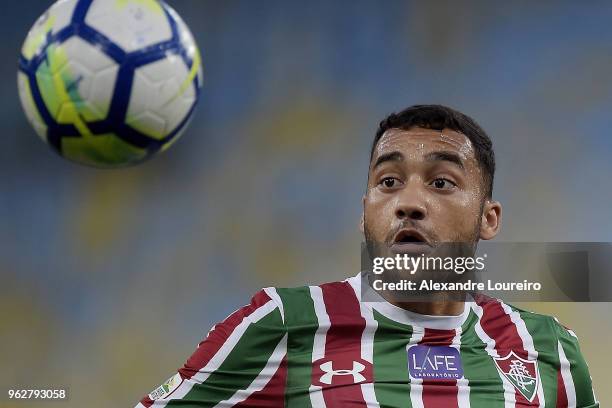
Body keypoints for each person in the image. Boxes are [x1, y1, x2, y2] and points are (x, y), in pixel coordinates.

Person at [136, 104, 598, 407]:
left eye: (441, 182)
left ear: (488, 218)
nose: (408, 202)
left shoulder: (549, 350)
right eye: (389, 182)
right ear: (365, 213)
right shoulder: (282, 324)